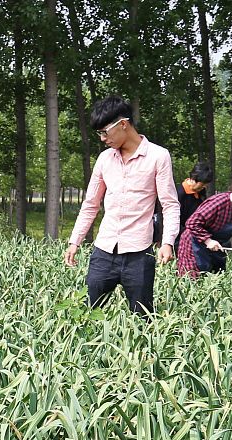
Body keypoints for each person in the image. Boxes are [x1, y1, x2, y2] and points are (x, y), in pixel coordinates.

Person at [65, 95, 179, 317]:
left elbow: (170, 205)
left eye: (104, 132)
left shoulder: (158, 156)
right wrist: (74, 241)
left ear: (123, 124)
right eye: (99, 133)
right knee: (88, 314)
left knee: (142, 317)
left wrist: (168, 242)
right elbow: (90, 204)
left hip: (139, 255)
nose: (102, 139)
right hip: (103, 252)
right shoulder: (104, 159)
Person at [176, 181, 232, 278]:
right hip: (194, 244)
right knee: (193, 280)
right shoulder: (218, 202)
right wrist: (208, 241)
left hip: (216, 247)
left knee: (216, 278)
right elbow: (192, 223)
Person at [153, 161, 213, 247]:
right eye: (202, 184)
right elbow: (166, 219)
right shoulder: (177, 194)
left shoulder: (201, 193)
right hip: (176, 238)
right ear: (193, 179)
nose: (204, 187)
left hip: (192, 236)